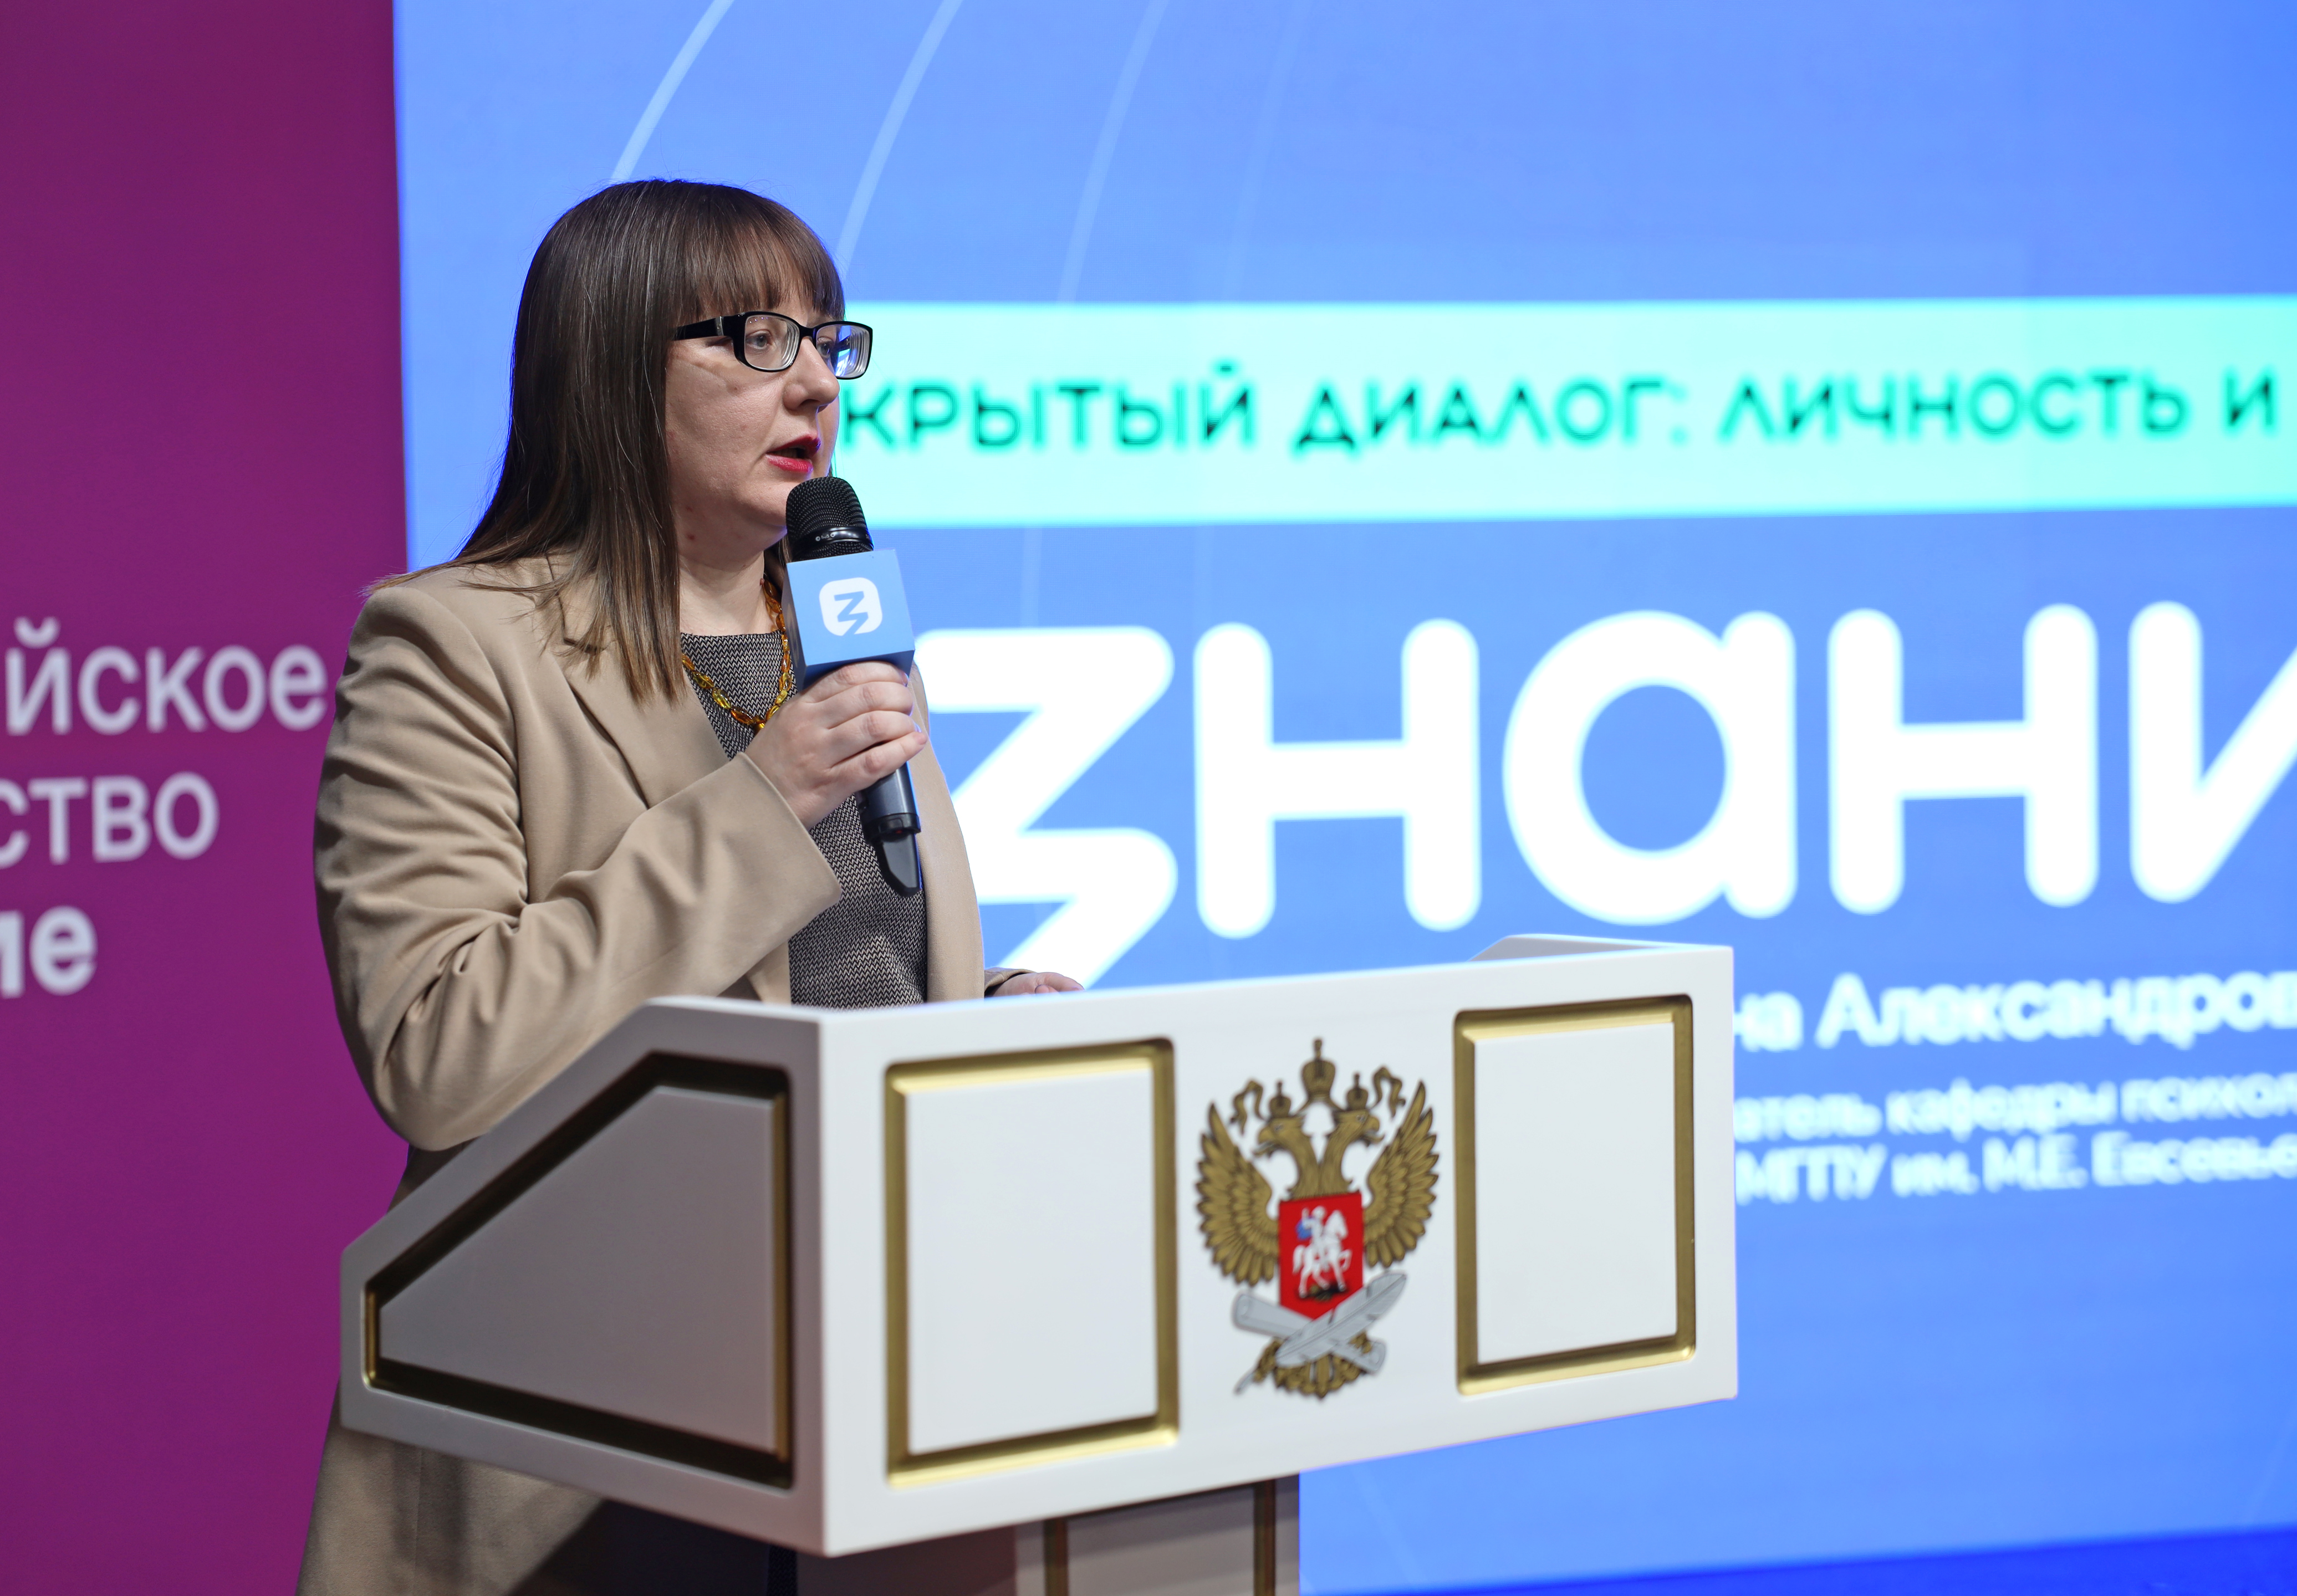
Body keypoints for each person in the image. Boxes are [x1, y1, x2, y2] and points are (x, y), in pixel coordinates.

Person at [296, 180, 1078, 1596]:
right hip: (592, 1427)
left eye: (828, 342)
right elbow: (439, 1049)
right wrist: (762, 802)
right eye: (756, 340)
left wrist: (979, 1010)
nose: (814, 385)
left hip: (875, 1383)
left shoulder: (840, 631)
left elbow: (836, 971)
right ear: (609, 367)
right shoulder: (452, 645)